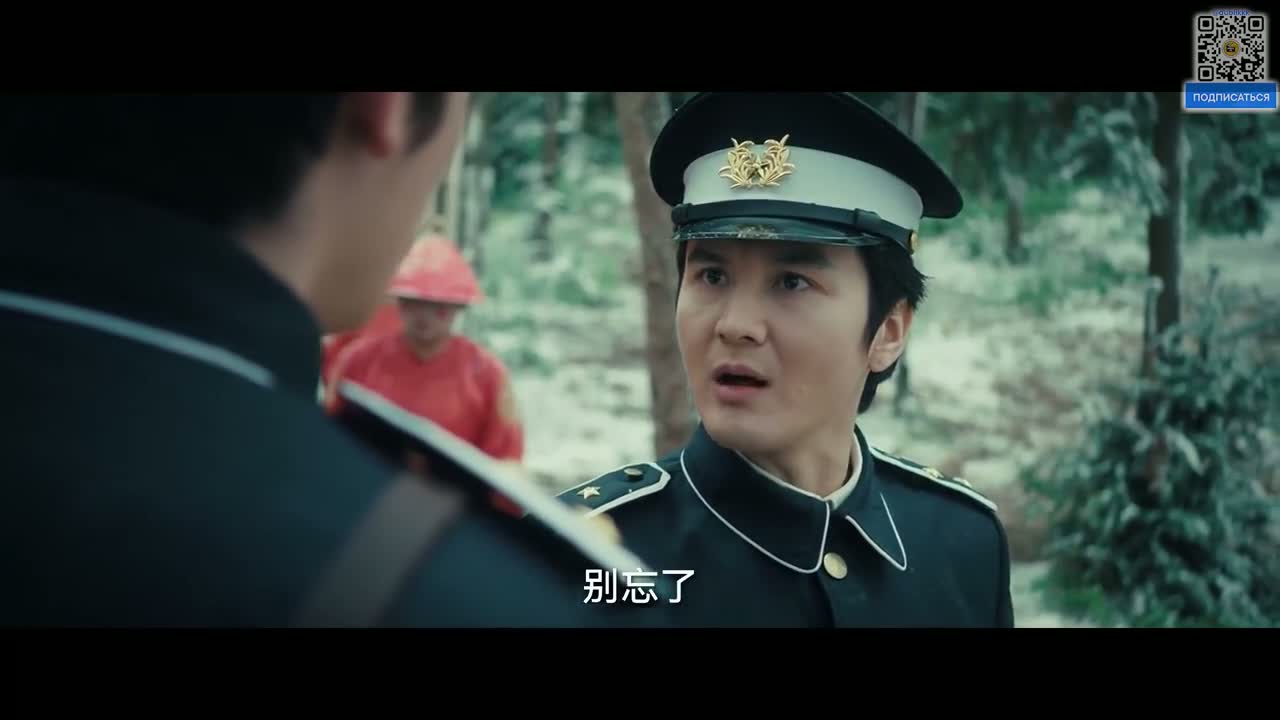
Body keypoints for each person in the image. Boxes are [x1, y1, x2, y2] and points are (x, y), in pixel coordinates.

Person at [0, 93, 661, 628]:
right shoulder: (476, 600)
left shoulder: (481, 376)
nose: (425, 319)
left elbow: (503, 465)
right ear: (389, 106)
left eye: (441, 309)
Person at [555, 92, 1016, 627]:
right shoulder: (586, 561)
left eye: (792, 282)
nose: (735, 325)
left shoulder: (961, 545)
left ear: (888, 332)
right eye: (712, 276)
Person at [327, 235, 524, 469]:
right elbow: (329, 437)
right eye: (413, 303)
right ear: (398, 302)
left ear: (459, 307)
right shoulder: (359, 360)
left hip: (453, 489)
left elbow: (507, 461)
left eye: (439, 307)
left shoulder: (487, 374)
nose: (424, 316)